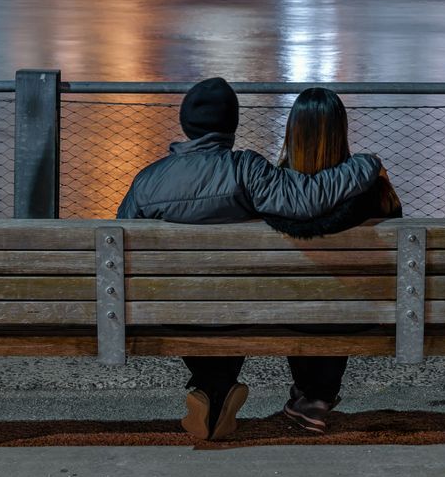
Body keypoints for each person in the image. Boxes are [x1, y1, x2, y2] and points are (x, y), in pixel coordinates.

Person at [116, 76, 386, 442]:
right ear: (233, 124)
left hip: (170, 309)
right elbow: (306, 199)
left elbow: (119, 248)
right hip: (238, 307)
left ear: (185, 124)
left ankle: (213, 389)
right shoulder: (246, 170)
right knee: (226, 297)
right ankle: (218, 390)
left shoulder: (147, 181)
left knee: (199, 298)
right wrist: (364, 165)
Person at [261, 87, 402, 432]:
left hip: (287, 311)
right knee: (340, 288)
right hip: (355, 312)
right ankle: (317, 397)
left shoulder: (271, 189)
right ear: (341, 131)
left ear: (292, 130)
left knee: (303, 289)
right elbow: (398, 228)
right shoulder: (372, 188)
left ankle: (309, 395)